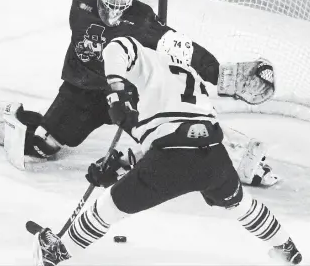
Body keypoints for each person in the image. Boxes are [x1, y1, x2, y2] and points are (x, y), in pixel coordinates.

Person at [0, 0, 278, 187]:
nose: (112, 6)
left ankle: (240, 155)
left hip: (125, 92)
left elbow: (180, 45)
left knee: (172, 134)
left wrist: (219, 73)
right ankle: (17, 116)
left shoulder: (141, 18)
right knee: (44, 147)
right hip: (81, 89)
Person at [33, 36, 301, 266]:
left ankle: (59, 251)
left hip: (171, 159)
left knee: (109, 207)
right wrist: (124, 160)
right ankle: (286, 246)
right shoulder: (195, 82)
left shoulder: (151, 60)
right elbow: (172, 131)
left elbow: (116, 46)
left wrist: (116, 89)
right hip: (215, 160)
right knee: (243, 206)